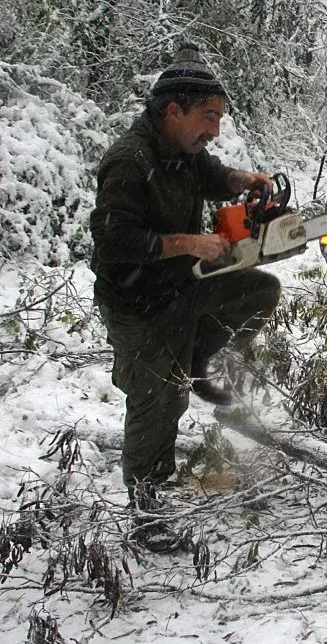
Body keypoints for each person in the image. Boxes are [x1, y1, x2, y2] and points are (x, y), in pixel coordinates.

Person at [90, 44, 281, 551]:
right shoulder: (130, 161)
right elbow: (114, 241)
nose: (215, 129)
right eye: (209, 117)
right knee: (158, 400)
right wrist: (187, 243)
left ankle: (199, 357)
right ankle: (147, 511)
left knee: (258, 289)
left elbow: (214, 176)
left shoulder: (183, 150)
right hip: (137, 301)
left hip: (181, 285)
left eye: (219, 118)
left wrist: (246, 180)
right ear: (173, 111)